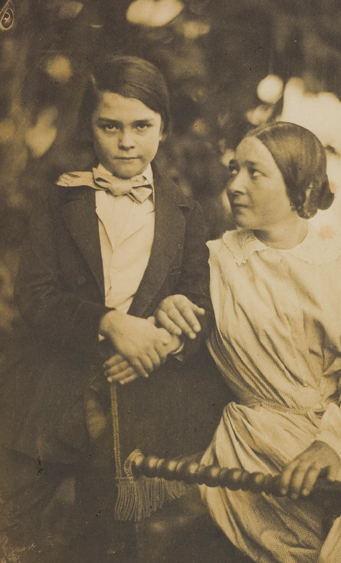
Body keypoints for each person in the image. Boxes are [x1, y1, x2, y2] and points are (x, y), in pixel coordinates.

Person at [159, 121, 341, 563]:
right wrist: (170, 309)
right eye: (234, 170)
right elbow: (175, 322)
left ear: (300, 189)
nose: (236, 185)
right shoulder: (211, 265)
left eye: (255, 173)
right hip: (262, 440)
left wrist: (334, 444)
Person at [0, 55, 213, 562]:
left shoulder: (186, 213)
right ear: (90, 127)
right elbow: (35, 294)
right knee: (11, 522)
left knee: (107, 545)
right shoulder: (59, 200)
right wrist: (109, 323)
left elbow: (200, 304)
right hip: (47, 396)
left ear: (164, 127)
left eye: (142, 126)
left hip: (131, 411)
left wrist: (162, 343)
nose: (126, 141)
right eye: (109, 126)